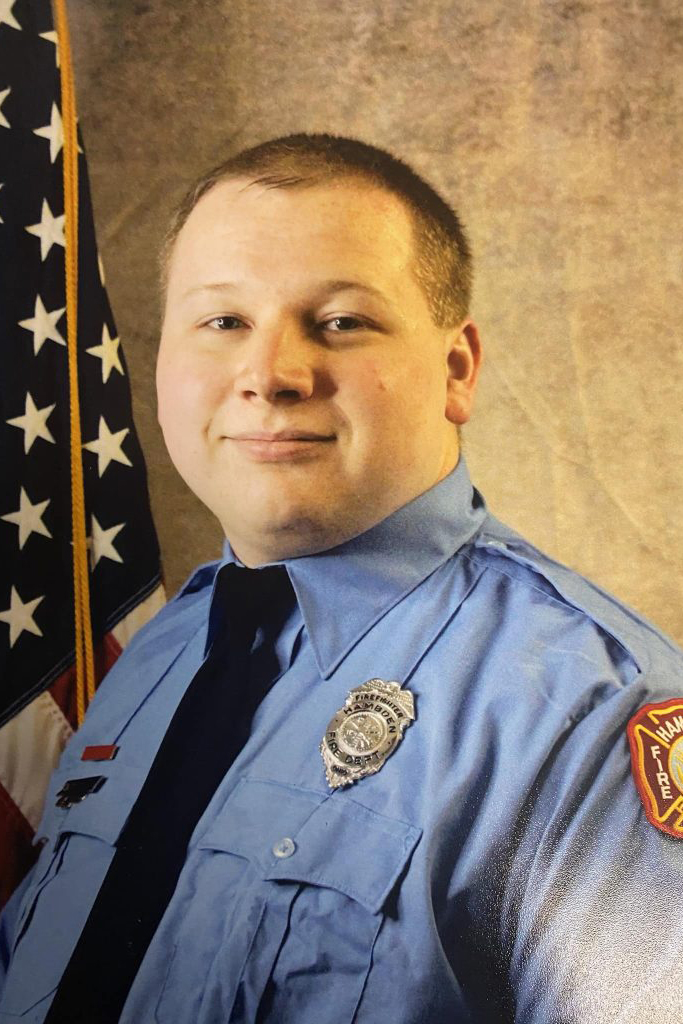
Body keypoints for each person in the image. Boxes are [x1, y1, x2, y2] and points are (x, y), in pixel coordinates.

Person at [1, 133, 682, 1024]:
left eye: (341, 321)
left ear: (455, 368)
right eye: (223, 322)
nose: (271, 375)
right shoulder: (164, 644)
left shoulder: (583, 709)